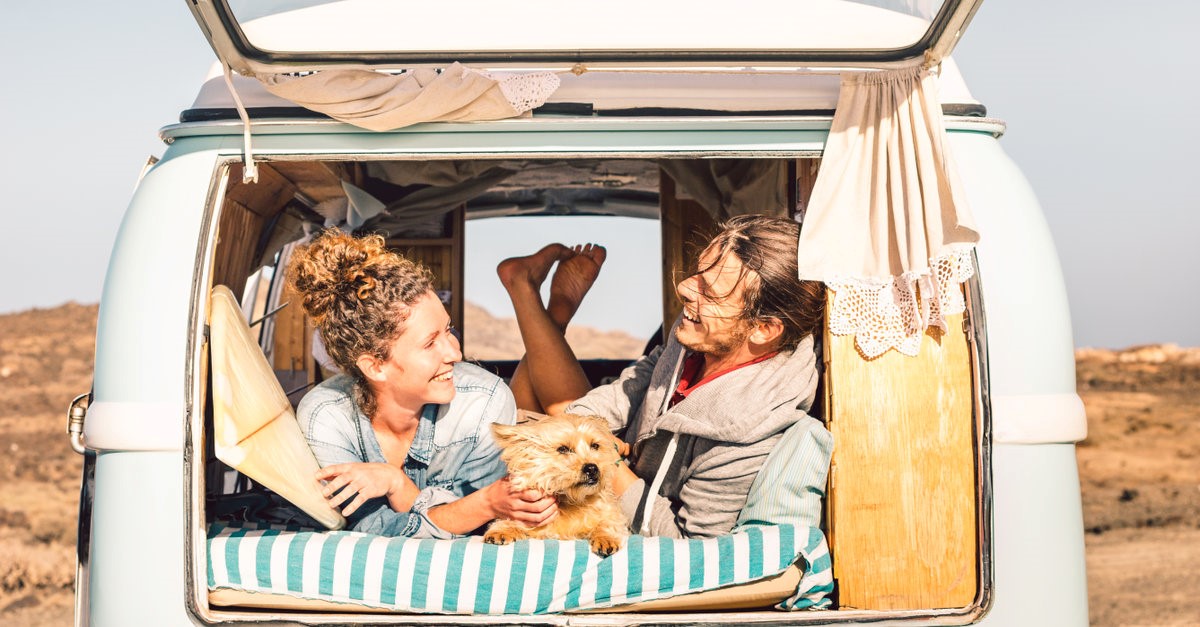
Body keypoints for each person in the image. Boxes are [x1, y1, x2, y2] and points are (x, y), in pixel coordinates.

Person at [498, 215, 828, 538]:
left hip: (624, 513)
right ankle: (543, 302)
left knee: (536, 431)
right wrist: (585, 425)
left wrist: (605, 461)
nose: (685, 288)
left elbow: (685, 541)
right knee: (553, 428)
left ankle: (532, 295)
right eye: (698, 272)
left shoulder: (748, 433)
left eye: (710, 292)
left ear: (763, 329)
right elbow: (647, 374)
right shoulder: (704, 331)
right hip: (623, 460)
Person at [288, 229, 557, 538]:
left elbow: (481, 532)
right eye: (430, 343)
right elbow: (365, 530)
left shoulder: (485, 403)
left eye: (448, 330)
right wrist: (482, 504)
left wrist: (397, 485)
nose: (455, 352)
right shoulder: (326, 417)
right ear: (374, 366)